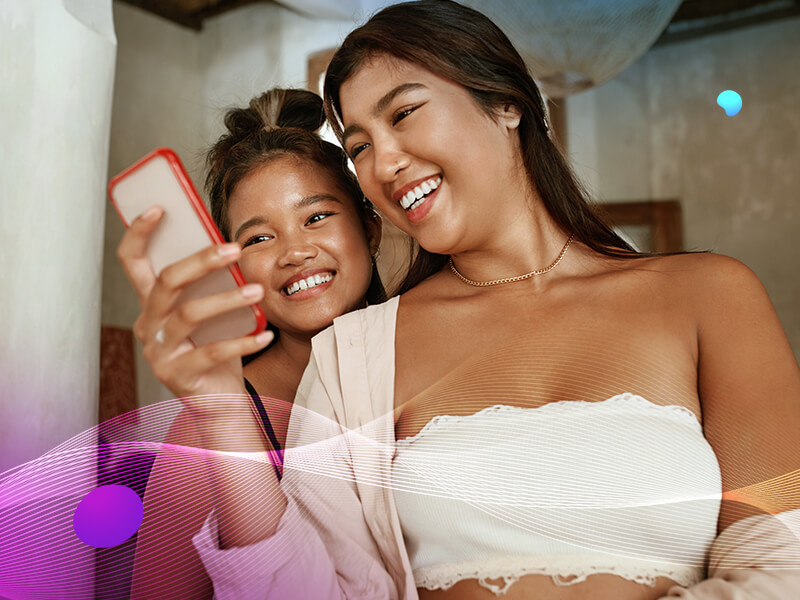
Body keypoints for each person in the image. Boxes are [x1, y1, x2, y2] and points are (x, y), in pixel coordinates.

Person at [190, 2, 800, 599]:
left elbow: (784, 557)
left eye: (402, 114)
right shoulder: (352, 355)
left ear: (507, 104)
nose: (385, 163)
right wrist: (219, 399)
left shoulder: (709, 295)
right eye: (359, 148)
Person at [116, 87, 385, 599]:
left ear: (369, 228)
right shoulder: (204, 433)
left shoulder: (423, 360)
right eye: (259, 238)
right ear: (232, 267)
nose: (296, 251)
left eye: (317, 217)